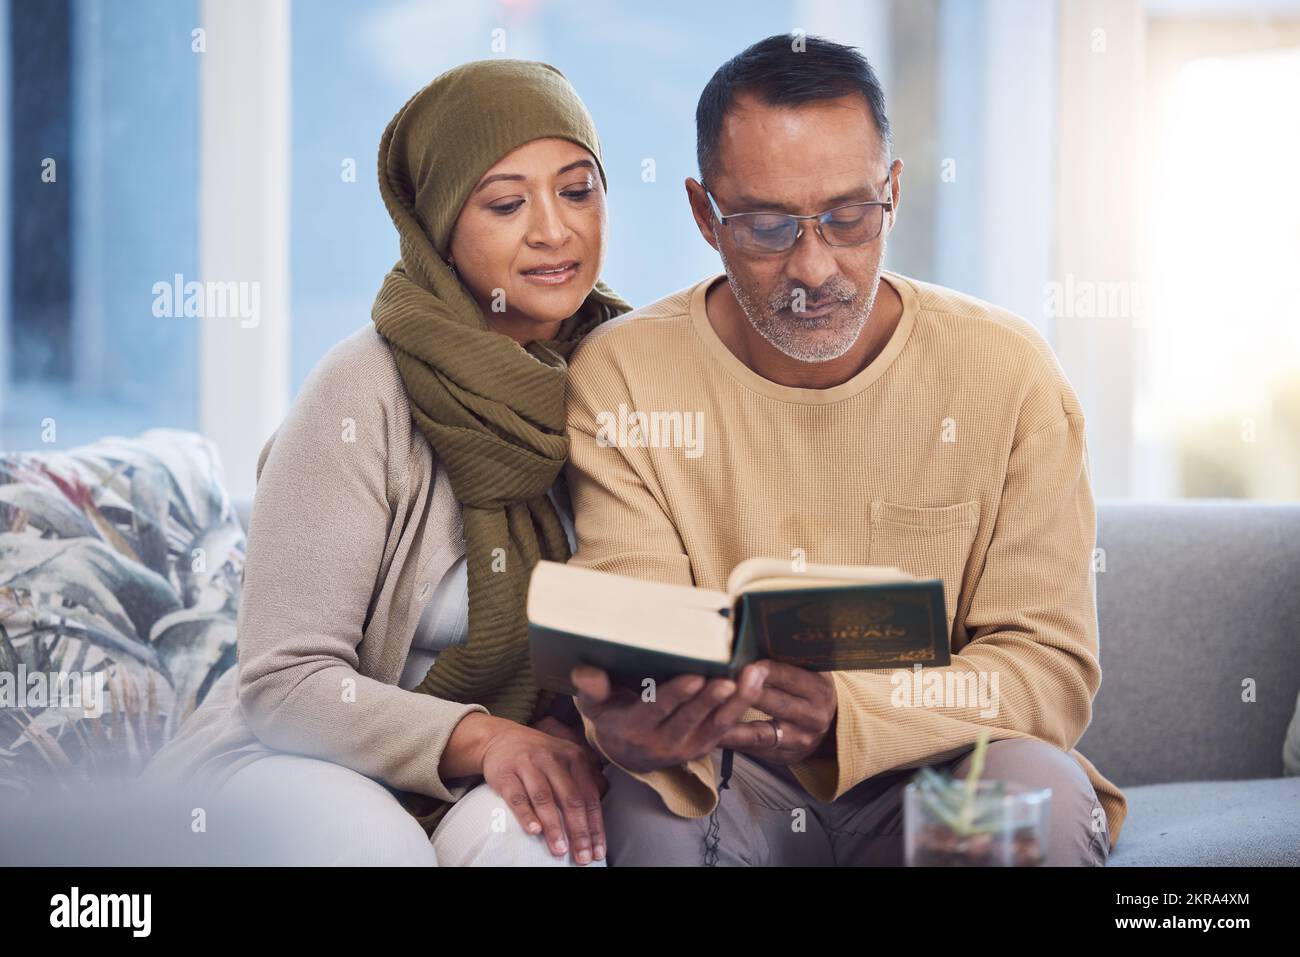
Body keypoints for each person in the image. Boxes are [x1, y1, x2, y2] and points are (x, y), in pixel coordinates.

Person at [561, 34, 1128, 866]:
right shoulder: (625, 372)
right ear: (701, 213)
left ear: (892, 191)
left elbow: (1048, 670)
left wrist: (849, 712)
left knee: (1024, 807)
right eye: (764, 225)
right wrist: (635, 716)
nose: (814, 265)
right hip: (728, 778)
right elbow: (632, 623)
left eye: (849, 216)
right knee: (644, 818)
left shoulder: (1007, 374)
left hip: (940, 766)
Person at [141, 59, 630, 867]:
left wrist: (576, 724)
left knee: (546, 850)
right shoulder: (361, 388)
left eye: (578, 190)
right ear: (439, 224)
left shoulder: (622, 373)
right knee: (371, 847)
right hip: (299, 755)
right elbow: (285, 683)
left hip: (506, 764)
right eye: (507, 203)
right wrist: (487, 736)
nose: (555, 229)